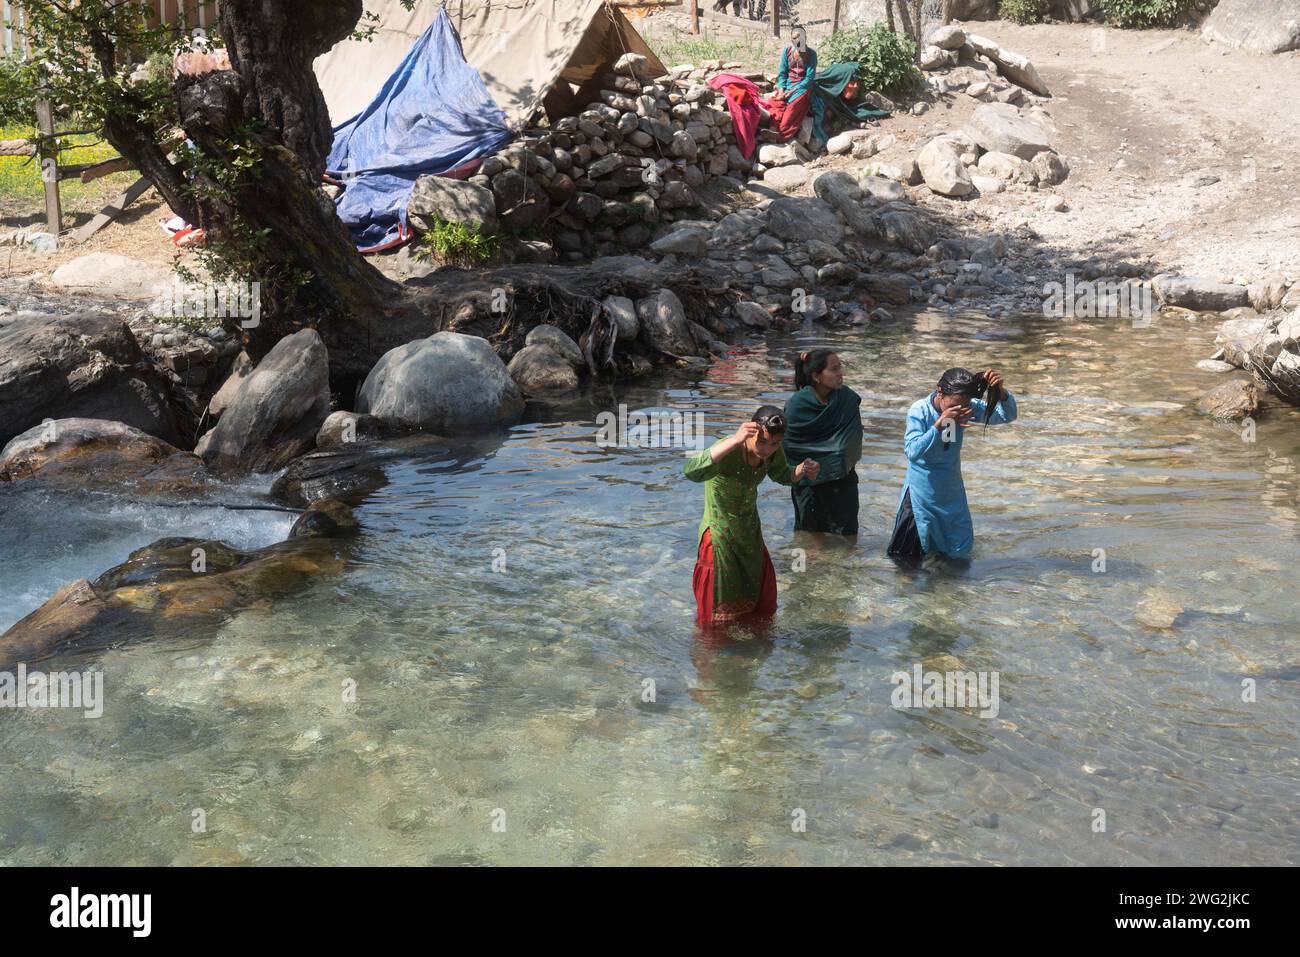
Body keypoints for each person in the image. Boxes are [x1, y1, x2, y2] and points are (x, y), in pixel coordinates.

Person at [685, 406, 820, 630]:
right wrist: (735, 440)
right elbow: (691, 471)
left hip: (749, 534)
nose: (767, 449)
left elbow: (782, 475)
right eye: (762, 442)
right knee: (716, 618)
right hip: (718, 536)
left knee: (760, 610)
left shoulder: (772, 451)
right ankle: (713, 660)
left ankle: (750, 656)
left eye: (775, 444)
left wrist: (804, 469)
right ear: (750, 431)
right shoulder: (729, 448)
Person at [887, 367, 1017, 563]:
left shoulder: (966, 407)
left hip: (951, 490)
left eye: (964, 405)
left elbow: (1006, 416)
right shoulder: (920, 410)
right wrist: (939, 424)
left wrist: (1001, 392)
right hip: (922, 491)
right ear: (940, 392)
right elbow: (912, 452)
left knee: (956, 556)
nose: (959, 410)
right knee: (908, 561)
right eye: (954, 405)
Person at [783, 350, 863, 539]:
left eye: (840, 367)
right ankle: (815, 569)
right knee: (810, 540)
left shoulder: (846, 398)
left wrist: (838, 457)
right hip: (809, 484)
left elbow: (853, 438)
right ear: (816, 376)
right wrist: (830, 456)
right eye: (834, 369)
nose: (840, 373)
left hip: (843, 480)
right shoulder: (797, 405)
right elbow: (788, 445)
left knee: (849, 537)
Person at [763, 26, 816, 143]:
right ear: (791, 40)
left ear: (805, 38)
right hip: (788, 86)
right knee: (776, 103)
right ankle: (772, 128)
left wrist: (792, 91)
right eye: (794, 38)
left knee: (792, 110)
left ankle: (781, 135)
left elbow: (809, 78)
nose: (797, 41)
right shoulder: (786, 52)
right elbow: (782, 74)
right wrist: (781, 90)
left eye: (800, 38)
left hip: (802, 88)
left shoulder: (811, 54)